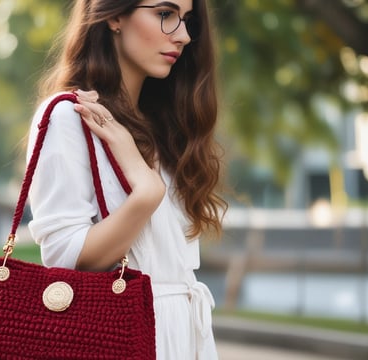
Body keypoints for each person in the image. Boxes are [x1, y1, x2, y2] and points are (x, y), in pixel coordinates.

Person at [26, 0, 227, 358]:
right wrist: (146, 194)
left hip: (181, 339)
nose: (183, 36)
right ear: (115, 15)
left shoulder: (165, 125)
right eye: (165, 15)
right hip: (124, 338)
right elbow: (64, 256)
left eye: (187, 20)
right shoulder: (70, 117)